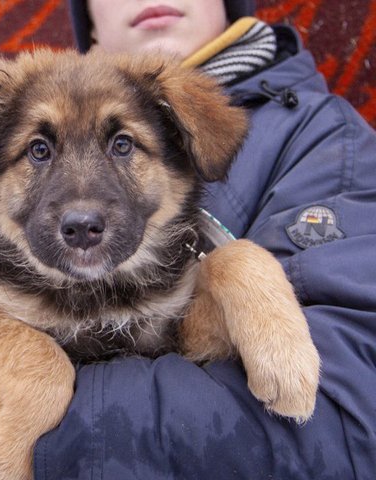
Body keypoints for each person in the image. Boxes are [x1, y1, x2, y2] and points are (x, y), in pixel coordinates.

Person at [29, 1, 376, 478]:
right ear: (87, 18)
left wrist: (33, 420)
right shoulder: (31, 133)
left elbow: (341, 425)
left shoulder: (323, 143)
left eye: (125, 144)